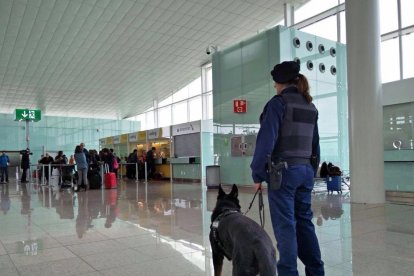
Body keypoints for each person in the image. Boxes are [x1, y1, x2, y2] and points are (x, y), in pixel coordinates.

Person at [250, 61, 324, 275]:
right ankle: (316, 271)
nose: (274, 86)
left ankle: (288, 272)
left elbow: (266, 142)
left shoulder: (278, 104)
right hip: (305, 172)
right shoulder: (310, 106)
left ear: (281, 82)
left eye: (275, 82)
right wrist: (310, 170)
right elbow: (315, 145)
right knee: (304, 223)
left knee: (285, 228)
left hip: (283, 174)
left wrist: (257, 173)